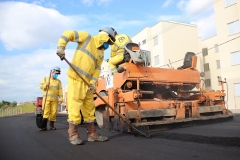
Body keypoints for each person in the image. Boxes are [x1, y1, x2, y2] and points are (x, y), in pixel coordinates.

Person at [56, 27, 115, 145]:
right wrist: (61, 47)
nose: (107, 45)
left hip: (88, 84)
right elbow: (68, 33)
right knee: (75, 106)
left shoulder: (101, 53)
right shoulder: (87, 38)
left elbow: (97, 70)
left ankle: (92, 134)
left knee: (89, 108)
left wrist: (93, 83)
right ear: (104, 36)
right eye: (108, 41)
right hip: (76, 78)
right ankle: (73, 135)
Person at [39, 67, 63, 131]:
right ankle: (43, 126)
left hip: (54, 100)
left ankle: (51, 125)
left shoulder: (58, 81)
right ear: (52, 72)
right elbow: (40, 86)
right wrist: (45, 85)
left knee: (53, 113)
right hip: (46, 99)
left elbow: (60, 91)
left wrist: (61, 99)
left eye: (57, 74)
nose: (56, 75)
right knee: (46, 112)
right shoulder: (45, 79)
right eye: (56, 73)